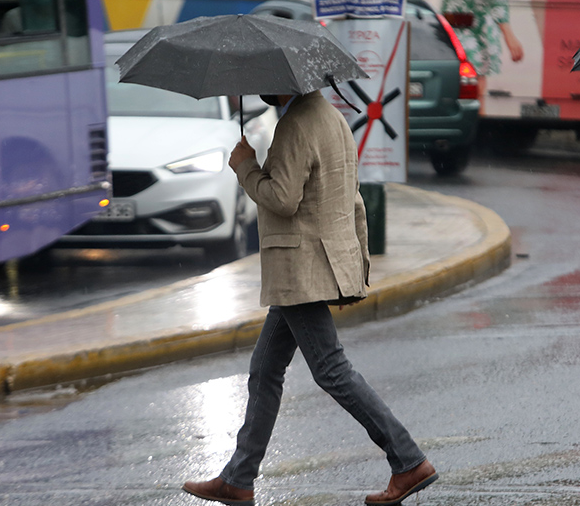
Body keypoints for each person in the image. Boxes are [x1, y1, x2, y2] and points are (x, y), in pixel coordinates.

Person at [183, 91, 437, 506]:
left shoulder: (296, 124)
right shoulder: (331, 117)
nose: (261, 87)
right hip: (312, 264)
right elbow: (343, 194)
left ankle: (408, 460)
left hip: (302, 268)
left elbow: (283, 199)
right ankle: (238, 478)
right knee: (265, 369)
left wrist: (245, 166)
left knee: (331, 370)